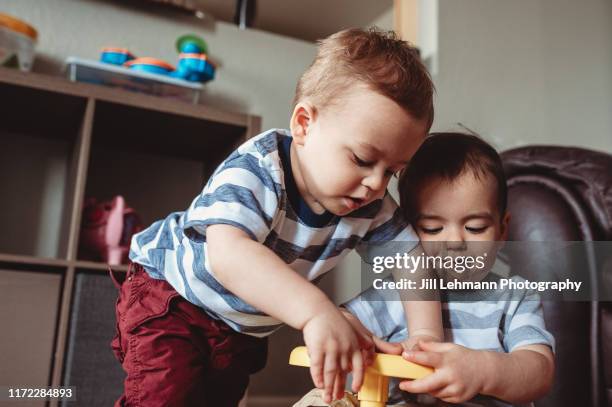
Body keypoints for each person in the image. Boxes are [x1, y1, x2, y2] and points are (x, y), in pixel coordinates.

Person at [110, 27, 442, 407]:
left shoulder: (371, 206)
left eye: (392, 172)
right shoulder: (260, 169)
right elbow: (229, 256)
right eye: (363, 160)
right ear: (304, 125)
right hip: (171, 298)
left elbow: (411, 258)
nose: (375, 185)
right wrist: (317, 311)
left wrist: (426, 334)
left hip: (237, 329)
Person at [343, 133, 555, 406]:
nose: (455, 242)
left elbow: (539, 373)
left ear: (503, 230)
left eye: (475, 227)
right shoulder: (394, 296)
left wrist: (482, 370)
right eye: (432, 228)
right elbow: (340, 324)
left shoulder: (514, 298)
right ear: (405, 234)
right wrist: (349, 335)